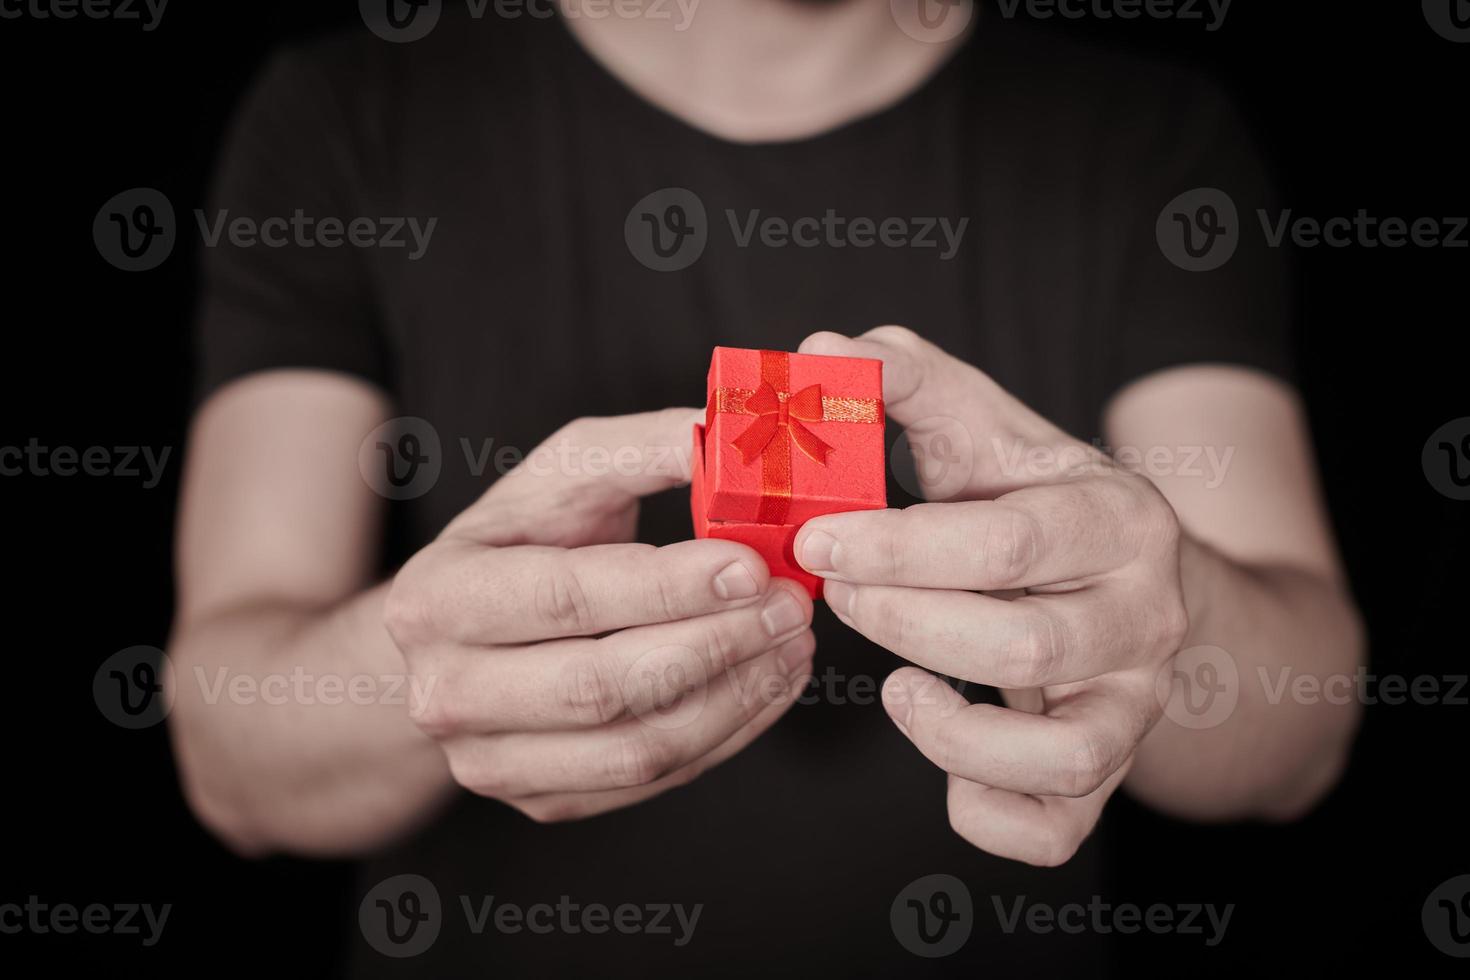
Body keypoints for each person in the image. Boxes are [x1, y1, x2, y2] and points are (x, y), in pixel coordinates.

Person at [165, 1, 1363, 974]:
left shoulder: (1153, 138)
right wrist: (415, 667)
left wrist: (1161, 608)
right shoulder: (345, 113)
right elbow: (228, 760)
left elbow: (1302, 738)